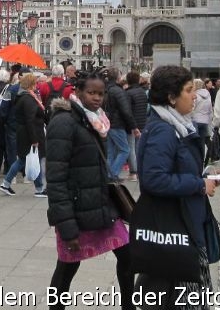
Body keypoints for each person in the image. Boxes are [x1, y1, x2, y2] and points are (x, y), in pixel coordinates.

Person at [46, 73, 133, 310]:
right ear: (79, 92)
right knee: (67, 267)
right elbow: (55, 176)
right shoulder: (64, 122)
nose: (96, 98)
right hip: (76, 209)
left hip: (101, 205)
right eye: (91, 93)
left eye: (101, 93)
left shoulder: (95, 119)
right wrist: (66, 225)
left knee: (128, 257)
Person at [135, 65, 220, 307]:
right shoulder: (164, 130)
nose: (195, 96)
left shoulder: (178, 125)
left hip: (185, 219)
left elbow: (175, 168)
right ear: (172, 97)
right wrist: (198, 184)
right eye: (189, 90)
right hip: (175, 226)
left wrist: (204, 175)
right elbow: (154, 178)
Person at [0, 73, 46, 198]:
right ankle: (39, 188)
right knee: (33, 159)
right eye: (35, 83)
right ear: (31, 84)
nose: (37, 85)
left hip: (24, 132)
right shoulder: (28, 99)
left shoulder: (23, 96)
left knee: (25, 159)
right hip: (30, 133)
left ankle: (6, 183)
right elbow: (30, 120)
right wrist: (34, 139)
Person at [102, 67, 135, 182]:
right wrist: (133, 126)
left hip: (108, 123)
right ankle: (113, 174)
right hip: (117, 124)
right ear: (117, 77)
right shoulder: (118, 91)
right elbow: (126, 110)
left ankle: (108, 174)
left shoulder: (106, 89)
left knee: (111, 151)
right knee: (125, 150)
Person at [191, 78, 213, 155]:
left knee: (195, 142)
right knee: (202, 142)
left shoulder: (195, 95)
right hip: (205, 121)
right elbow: (210, 109)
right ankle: (202, 159)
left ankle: (196, 158)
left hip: (195, 120)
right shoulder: (208, 94)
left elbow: (192, 108)